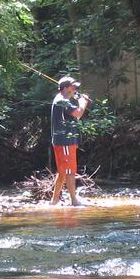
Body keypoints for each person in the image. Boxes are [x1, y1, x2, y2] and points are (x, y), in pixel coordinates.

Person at [49, 75, 89, 206]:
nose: (75, 90)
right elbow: (78, 114)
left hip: (62, 141)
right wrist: (83, 102)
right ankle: (74, 201)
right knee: (70, 172)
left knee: (62, 172)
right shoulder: (62, 101)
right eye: (73, 87)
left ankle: (54, 201)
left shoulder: (61, 99)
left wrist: (77, 99)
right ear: (65, 88)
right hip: (65, 142)